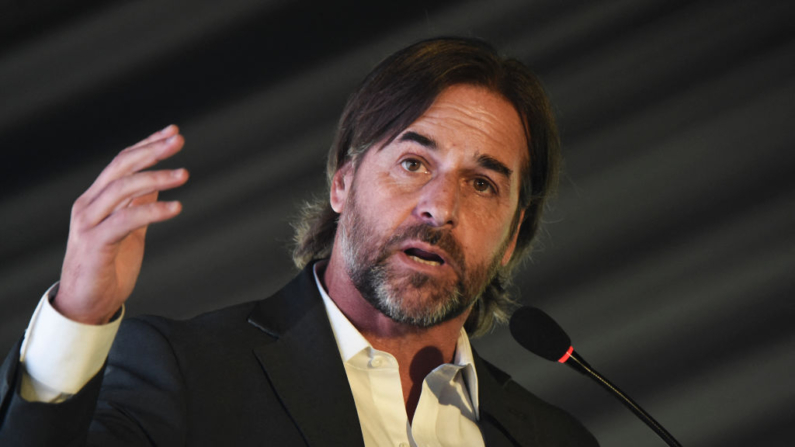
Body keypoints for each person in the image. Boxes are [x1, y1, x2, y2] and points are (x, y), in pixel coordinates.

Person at [0, 37, 598, 446]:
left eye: (483, 183)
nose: (441, 207)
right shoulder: (186, 375)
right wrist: (80, 314)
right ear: (343, 181)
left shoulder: (553, 439)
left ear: (514, 236)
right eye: (414, 163)